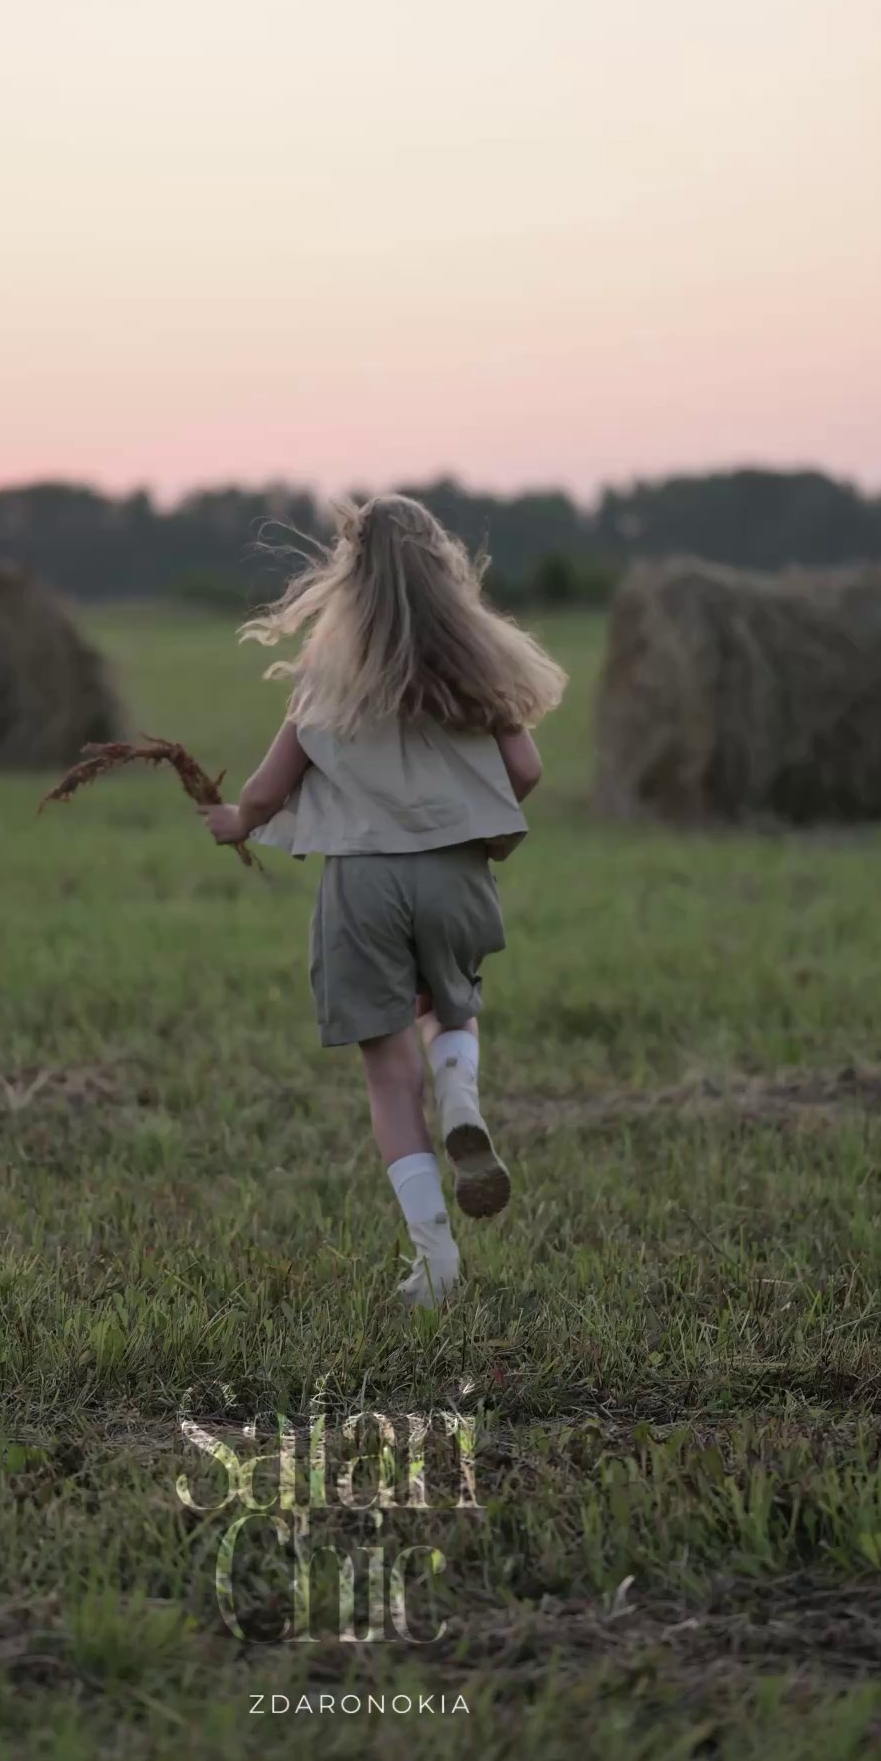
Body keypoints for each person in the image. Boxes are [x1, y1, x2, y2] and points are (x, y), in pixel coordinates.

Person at [199, 495, 566, 1305]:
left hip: (362, 884)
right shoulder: (481, 674)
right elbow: (529, 773)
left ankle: (434, 1261)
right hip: (455, 872)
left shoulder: (327, 681)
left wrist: (235, 823)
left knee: (388, 1076)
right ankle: (462, 1092)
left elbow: (266, 791)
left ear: (347, 580)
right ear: (445, 572)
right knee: (453, 1009)